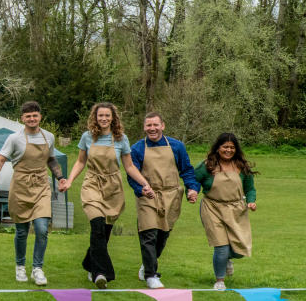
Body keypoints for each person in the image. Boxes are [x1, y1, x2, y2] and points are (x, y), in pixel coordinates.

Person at [59, 103, 153, 288]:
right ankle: (101, 273)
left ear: (113, 118)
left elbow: (129, 166)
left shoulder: (121, 139)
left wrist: (145, 183)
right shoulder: (87, 137)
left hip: (113, 188)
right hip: (92, 184)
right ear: (95, 117)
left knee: (104, 233)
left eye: (107, 116)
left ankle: (89, 263)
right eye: (100, 115)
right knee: (97, 226)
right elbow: (80, 162)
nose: (103, 119)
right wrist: (69, 181)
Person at [0, 101, 65, 286]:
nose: (31, 118)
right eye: (27, 116)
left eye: (34, 115)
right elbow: (0, 160)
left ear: (40, 117)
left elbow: (51, 159)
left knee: (42, 229)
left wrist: (60, 177)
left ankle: (37, 269)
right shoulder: (14, 138)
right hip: (20, 186)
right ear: (22, 118)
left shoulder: (49, 137)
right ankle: (20, 266)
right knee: (21, 231)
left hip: (41, 185)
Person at [128, 112, 200, 289]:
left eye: (155, 125)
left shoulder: (177, 146)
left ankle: (148, 263)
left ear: (163, 126)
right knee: (149, 233)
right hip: (148, 195)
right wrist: (141, 189)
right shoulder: (137, 149)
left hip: (171, 196)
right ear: (144, 127)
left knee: (162, 235)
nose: (152, 129)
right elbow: (132, 174)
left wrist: (192, 188)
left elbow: (187, 170)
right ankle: (151, 275)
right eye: (148, 125)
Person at [195, 133, 257, 290]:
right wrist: (193, 191)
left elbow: (250, 188)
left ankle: (227, 258)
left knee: (240, 249)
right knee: (221, 247)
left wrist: (251, 201)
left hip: (236, 210)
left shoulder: (242, 167)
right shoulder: (207, 166)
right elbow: (194, 180)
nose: (228, 150)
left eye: (232, 147)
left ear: (236, 149)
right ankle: (220, 281)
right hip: (212, 208)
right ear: (218, 148)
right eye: (225, 147)